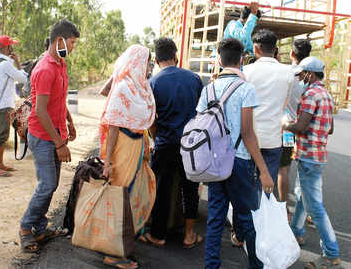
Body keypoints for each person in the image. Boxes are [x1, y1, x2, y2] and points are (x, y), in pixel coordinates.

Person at [199, 38, 273, 269]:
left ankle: (211, 265)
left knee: (215, 219)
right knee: (246, 218)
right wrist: (263, 170)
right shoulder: (246, 89)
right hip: (239, 163)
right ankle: (254, 265)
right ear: (241, 60)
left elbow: (202, 126)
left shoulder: (208, 89)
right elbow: (248, 134)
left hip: (214, 163)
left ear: (219, 60)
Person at [20, 19, 79, 253]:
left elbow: (58, 100)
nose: (73, 47)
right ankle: (26, 228)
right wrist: (59, 143)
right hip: (43, 135)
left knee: (51, 184)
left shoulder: (60, 64)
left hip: (55, 132)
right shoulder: (44, 69)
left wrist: (69, 122)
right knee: (47, 184)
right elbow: (40, 111)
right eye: (72, 42)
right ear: (59, 41)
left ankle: (40, 227)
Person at [140, 37, 204, 249]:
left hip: (165, 143)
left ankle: (158, 235)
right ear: (176, 56)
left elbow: (151, 120)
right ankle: (189, 235)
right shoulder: (194, 79)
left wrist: (157, 138)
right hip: (191, 145)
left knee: (160, 188)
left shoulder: (153, 83)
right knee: (190, 189)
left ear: (156, 60)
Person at [100, 44, 156, 269]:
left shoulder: (141, 88)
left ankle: (126, 241)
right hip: (123, 147)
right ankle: (113, 253)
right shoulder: (122, 86)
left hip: (137, 147)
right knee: (120, 196)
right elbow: (112, 127)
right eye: (147, 61)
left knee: (134, 194)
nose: (149, 66)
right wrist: (107, 161)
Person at [283, 56, 341, 269]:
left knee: (314, 207)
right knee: (303, 198)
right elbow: (331, 128)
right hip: (318, 155)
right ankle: (296, 232)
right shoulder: (326, 94)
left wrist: (285, 125)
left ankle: (331, 255)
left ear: (310, 74)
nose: (301, 77)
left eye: (302, 74)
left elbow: (301, 127)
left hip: (307, 155)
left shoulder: (310, 94)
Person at [243, 29, 293, 185]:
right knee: (267, 187)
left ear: (256, 49)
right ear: (275, 49)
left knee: (246, 186)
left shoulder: (246, 71)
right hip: (273, 140)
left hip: (249, 139)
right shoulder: (288, 72)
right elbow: (285, 103)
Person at [278, 39, 311, 208]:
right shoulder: (308, 78)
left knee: (273, 167)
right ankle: (293, 209)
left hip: (280, 125)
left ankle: (273, 207)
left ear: (292, 54)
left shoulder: (283, 72)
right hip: (298, 128)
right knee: (291, 169)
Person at [0, 35, 27, 177]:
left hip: (0, 102)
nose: (13, 48)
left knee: (3, 134)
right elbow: (23, 78)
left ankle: (0, 164)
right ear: (6, 47)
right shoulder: (5, 64)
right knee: (2, 134)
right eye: (11, 46)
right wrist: (18, 62)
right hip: (5, 104)